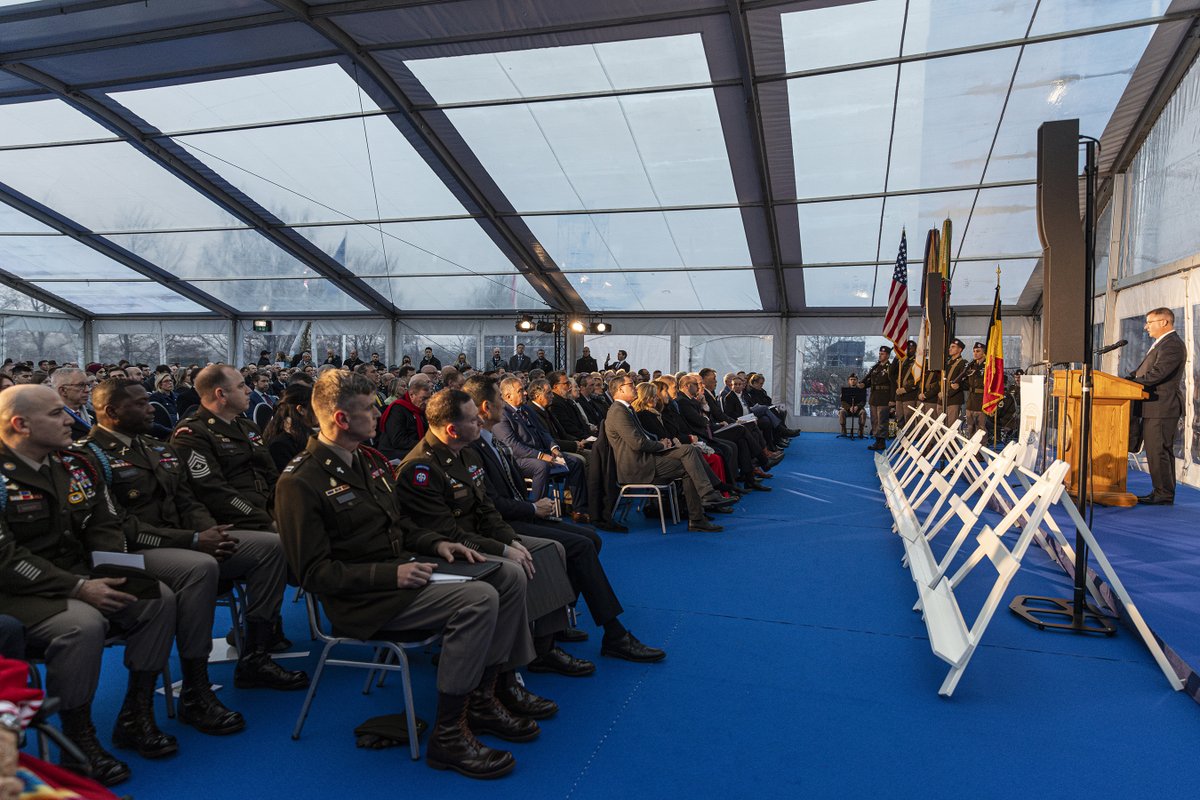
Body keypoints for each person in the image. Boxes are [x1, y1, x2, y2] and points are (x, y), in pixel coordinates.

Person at [276, 371, 548, 779]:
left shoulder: (369, 461)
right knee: (480, 598)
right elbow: (312, 575)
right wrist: (390, 575)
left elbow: (400, 527)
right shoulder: (300, 481)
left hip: (406, 571)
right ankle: (448, 734)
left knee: (506, 577)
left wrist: (436, 543)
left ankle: (484, 698)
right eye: (369, 409)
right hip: (366, 600)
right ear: (341, 419)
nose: (378, 414)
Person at [83, 378, 305, 732]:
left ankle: (255, 654)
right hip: (134, 551)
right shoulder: (90, 457)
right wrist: (194, 538)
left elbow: (189, 499)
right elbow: (119, 526)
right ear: (110, 412)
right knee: (200, 567)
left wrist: (208, 532)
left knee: (269, 547)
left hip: (186, 538)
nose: (152, 408)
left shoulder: (156, 447)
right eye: (140, 404)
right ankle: (195, 690)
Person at [0, 385, 176, 786]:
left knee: (156, 597)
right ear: (21, 424)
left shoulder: (74, 463)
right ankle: (76, 741)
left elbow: (104, 525)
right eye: (57, 414)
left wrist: (110, 570)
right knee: (83, 625)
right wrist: (79, 587)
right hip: (16, 594)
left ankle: (136, 713)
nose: (71, 420)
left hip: (78, 575)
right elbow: (6, 560)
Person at [463, 375, 666, 663]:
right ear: (486, 407)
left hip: (516, 514)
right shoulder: (475, 446)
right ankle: (613, 633)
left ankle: (556, 621)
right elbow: (491, 503)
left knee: (590, 539)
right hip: (505, 523)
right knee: (579, 545)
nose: (505, 404)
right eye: (500, 399)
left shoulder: (487, 440)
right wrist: (533, 509)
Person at [605, 374, 734, 532]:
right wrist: (660, 444)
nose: (634, 387)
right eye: (631, 384)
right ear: (620, 389)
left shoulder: (626, 409)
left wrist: (662, 443)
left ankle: (703, 505)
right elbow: (637, 443)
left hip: (646, 458)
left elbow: (643, 438)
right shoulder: (618, 411)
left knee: (689, 452)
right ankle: (704, 503)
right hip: (638, 466)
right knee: (689, 459)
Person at [494, 377, 589, 521]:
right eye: (520, 391)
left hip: (541, 452)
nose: (525, 393)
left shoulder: (525, 408)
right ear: (508, 396)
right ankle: (537, 512)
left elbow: (543, 432)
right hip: (519, 459)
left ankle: (578, 510)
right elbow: (512, 445)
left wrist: (555, 449)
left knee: (575, 462)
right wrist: (541, 456)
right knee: (541, 466)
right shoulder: (502, 414)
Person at [1128, 307, 1187, 505]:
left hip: (1162, 406)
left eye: (1149, 322)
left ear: (1164, 322)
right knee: (1158, 450)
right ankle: (1162, 491)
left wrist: (1133, 383)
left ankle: (1163, 494)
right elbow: (1145, 371)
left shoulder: (1172, 345)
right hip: (1155, 406)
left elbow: (1158, 374)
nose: (1146, 327)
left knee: (1158, 450)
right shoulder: (1162, 343)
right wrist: (1129, 379)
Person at [377, 373, 432, 462]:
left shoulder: (420, 410)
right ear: (412, 395)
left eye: (429, 398)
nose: (427, 402)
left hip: (413, 449)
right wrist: (425, 444)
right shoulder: (398, 409)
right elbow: (398, 440)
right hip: (395, 453)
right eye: (423, 398)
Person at [262, 383, 316, 471]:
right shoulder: (280, 444)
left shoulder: (307, 432)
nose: (319, 410)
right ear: (301, 410)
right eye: (315, 406)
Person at [865, 346, 894, 451]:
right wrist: (863, 385)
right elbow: (871, 381)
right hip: (874, 396)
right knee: (874, 420)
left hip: (884, 397)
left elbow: (893, 384)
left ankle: (881, 442)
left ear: (887, 355)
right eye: (879, 353)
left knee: (882, 420)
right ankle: (877, 441)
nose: (880, 355)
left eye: (882, 354)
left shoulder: (889, 368)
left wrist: (892, 400)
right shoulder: (876, 367)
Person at [50, 367, 92, 440]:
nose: (87, 390)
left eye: (88, 385)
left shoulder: (94, 415)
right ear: (63, 390)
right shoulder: (50, 420)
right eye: (81, 385)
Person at [963, 342, 988, 439]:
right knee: (970, 427)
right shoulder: (971, 365)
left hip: (982, 400)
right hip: (971, 399)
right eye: (974, 351)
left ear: (984, 352)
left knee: (981, 428)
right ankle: (972, 451)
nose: (975, 353)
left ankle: (980, 452)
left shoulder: (987, 366)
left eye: (978, 351)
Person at [943, 338, 968, 424]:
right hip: (943, 397)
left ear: (960, 349)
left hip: (953, 398)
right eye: (950, 347)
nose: (950, 349)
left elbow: (964, 382)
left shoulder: (963, 364)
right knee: (940, 425)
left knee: (951, 426)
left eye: (953, 347)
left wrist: (948, 393)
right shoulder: (947, 363)